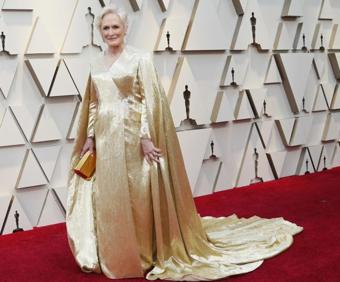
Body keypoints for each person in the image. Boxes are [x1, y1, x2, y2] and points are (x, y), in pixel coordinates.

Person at [66, 6, 302, 281]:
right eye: (105, 28)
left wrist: (145, 137)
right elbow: (94, 103)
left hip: (132, 136)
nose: (110, 33)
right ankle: (114, 252)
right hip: (106, 138)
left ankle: (142, 253)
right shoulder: (96, 63)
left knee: (136, 197)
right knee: (110, 199)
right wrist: (91, 138)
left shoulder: (139, 59)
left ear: (125, 28)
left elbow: (148, 100)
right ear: (100, 32)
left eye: (115, 27)